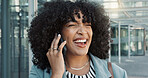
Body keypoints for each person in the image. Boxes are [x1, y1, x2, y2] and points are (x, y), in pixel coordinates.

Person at [28, 0, 128, 78]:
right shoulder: (39, 72)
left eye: (88, 25)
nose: (82, 31)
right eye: (72, 25)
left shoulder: (117, 73)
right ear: (57, 32)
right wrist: (57, 74)